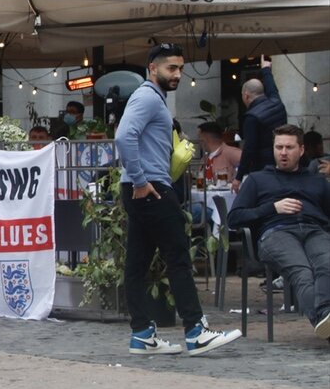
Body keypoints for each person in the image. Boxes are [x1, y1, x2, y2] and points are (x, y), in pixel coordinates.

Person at [115, 43, 241, 356]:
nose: (178, 74)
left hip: (144, 187)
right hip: (152, 188)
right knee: (178, 258)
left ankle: (142, 334)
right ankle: (195, 330)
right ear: (152, 68)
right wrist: (142, 181)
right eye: (171, 68)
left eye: (180, 68)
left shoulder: (150, 98)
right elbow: (123, 136)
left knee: (138, 262)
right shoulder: (147, 96)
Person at [227, 124, 330, 340]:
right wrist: (272, 207)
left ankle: (325, 320)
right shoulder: (257, 180)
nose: (283, 153)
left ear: (301, 150)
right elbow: (234, 218)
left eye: (289, 147)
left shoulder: (317, 182)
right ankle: (323, 318)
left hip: (313, 230)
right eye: (279, 147)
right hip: (276, 232)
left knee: (327, 264)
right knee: (302, 272)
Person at [233, 55, 286, 192]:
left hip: (263, 167)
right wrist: (266, 69)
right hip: (281, 163)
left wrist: (238, 177)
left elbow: (249, 148)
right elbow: (272, 87)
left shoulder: (252, 117)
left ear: (246, 96)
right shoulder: (277, 103)